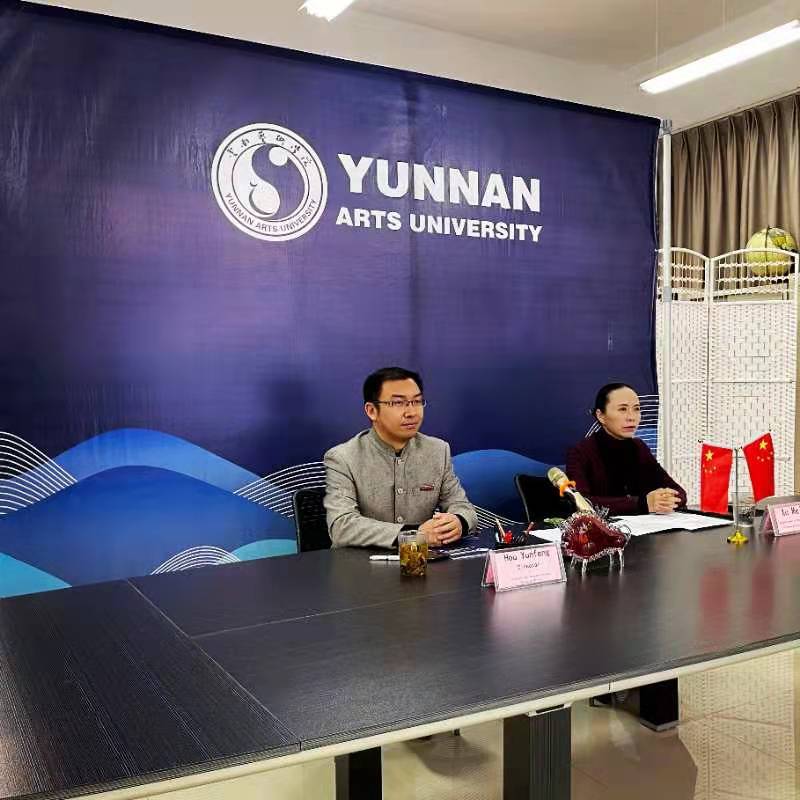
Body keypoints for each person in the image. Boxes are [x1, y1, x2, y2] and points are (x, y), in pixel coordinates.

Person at [324, 367, 477, 548]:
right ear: (372, 410)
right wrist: (413, 534)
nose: (411, 412)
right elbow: (342, 526)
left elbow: (461, 505)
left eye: (417, 401)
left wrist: (458, 521)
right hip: (362, 562)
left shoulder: (437, 450)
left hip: (422, 560)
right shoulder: (342, 458)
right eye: (398, 403)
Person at [565, 383, 687, 516]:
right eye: (622, 409)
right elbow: (580, 502)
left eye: (636, 409)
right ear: (601, 416)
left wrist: (667, 499)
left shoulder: (639, 447)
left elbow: (678, 492)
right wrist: (642, 504)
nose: (631, 417)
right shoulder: (581, 452)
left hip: (647, 526)